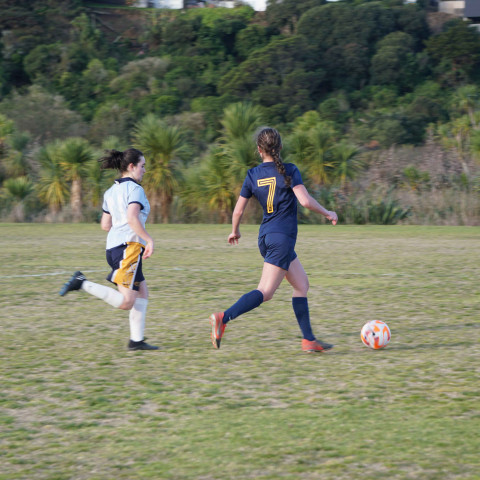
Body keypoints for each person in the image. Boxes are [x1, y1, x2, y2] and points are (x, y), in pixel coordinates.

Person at [210, 127, 338, 352]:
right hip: (282, 239)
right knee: (265, 292)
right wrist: (328, 213)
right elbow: (305, 201)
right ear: (279, 147)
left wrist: (235, 231)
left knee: (301, 285)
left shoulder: (252, 174)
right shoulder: (289, 170)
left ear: (259, 150)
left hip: (267, 237)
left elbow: (238, 210)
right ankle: (223, 317)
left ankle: (308, 340)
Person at [59, 148, 158, 351]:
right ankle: (82, 283)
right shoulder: (135, 189)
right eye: (142, 166)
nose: (144, 170)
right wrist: (148, 239)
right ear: (131, 167)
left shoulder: (110, 191)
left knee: (142, 292)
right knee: (126, 302)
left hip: (113, 247)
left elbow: (105, 224)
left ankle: (136, 341)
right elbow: (132, 218)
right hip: (128, 248)